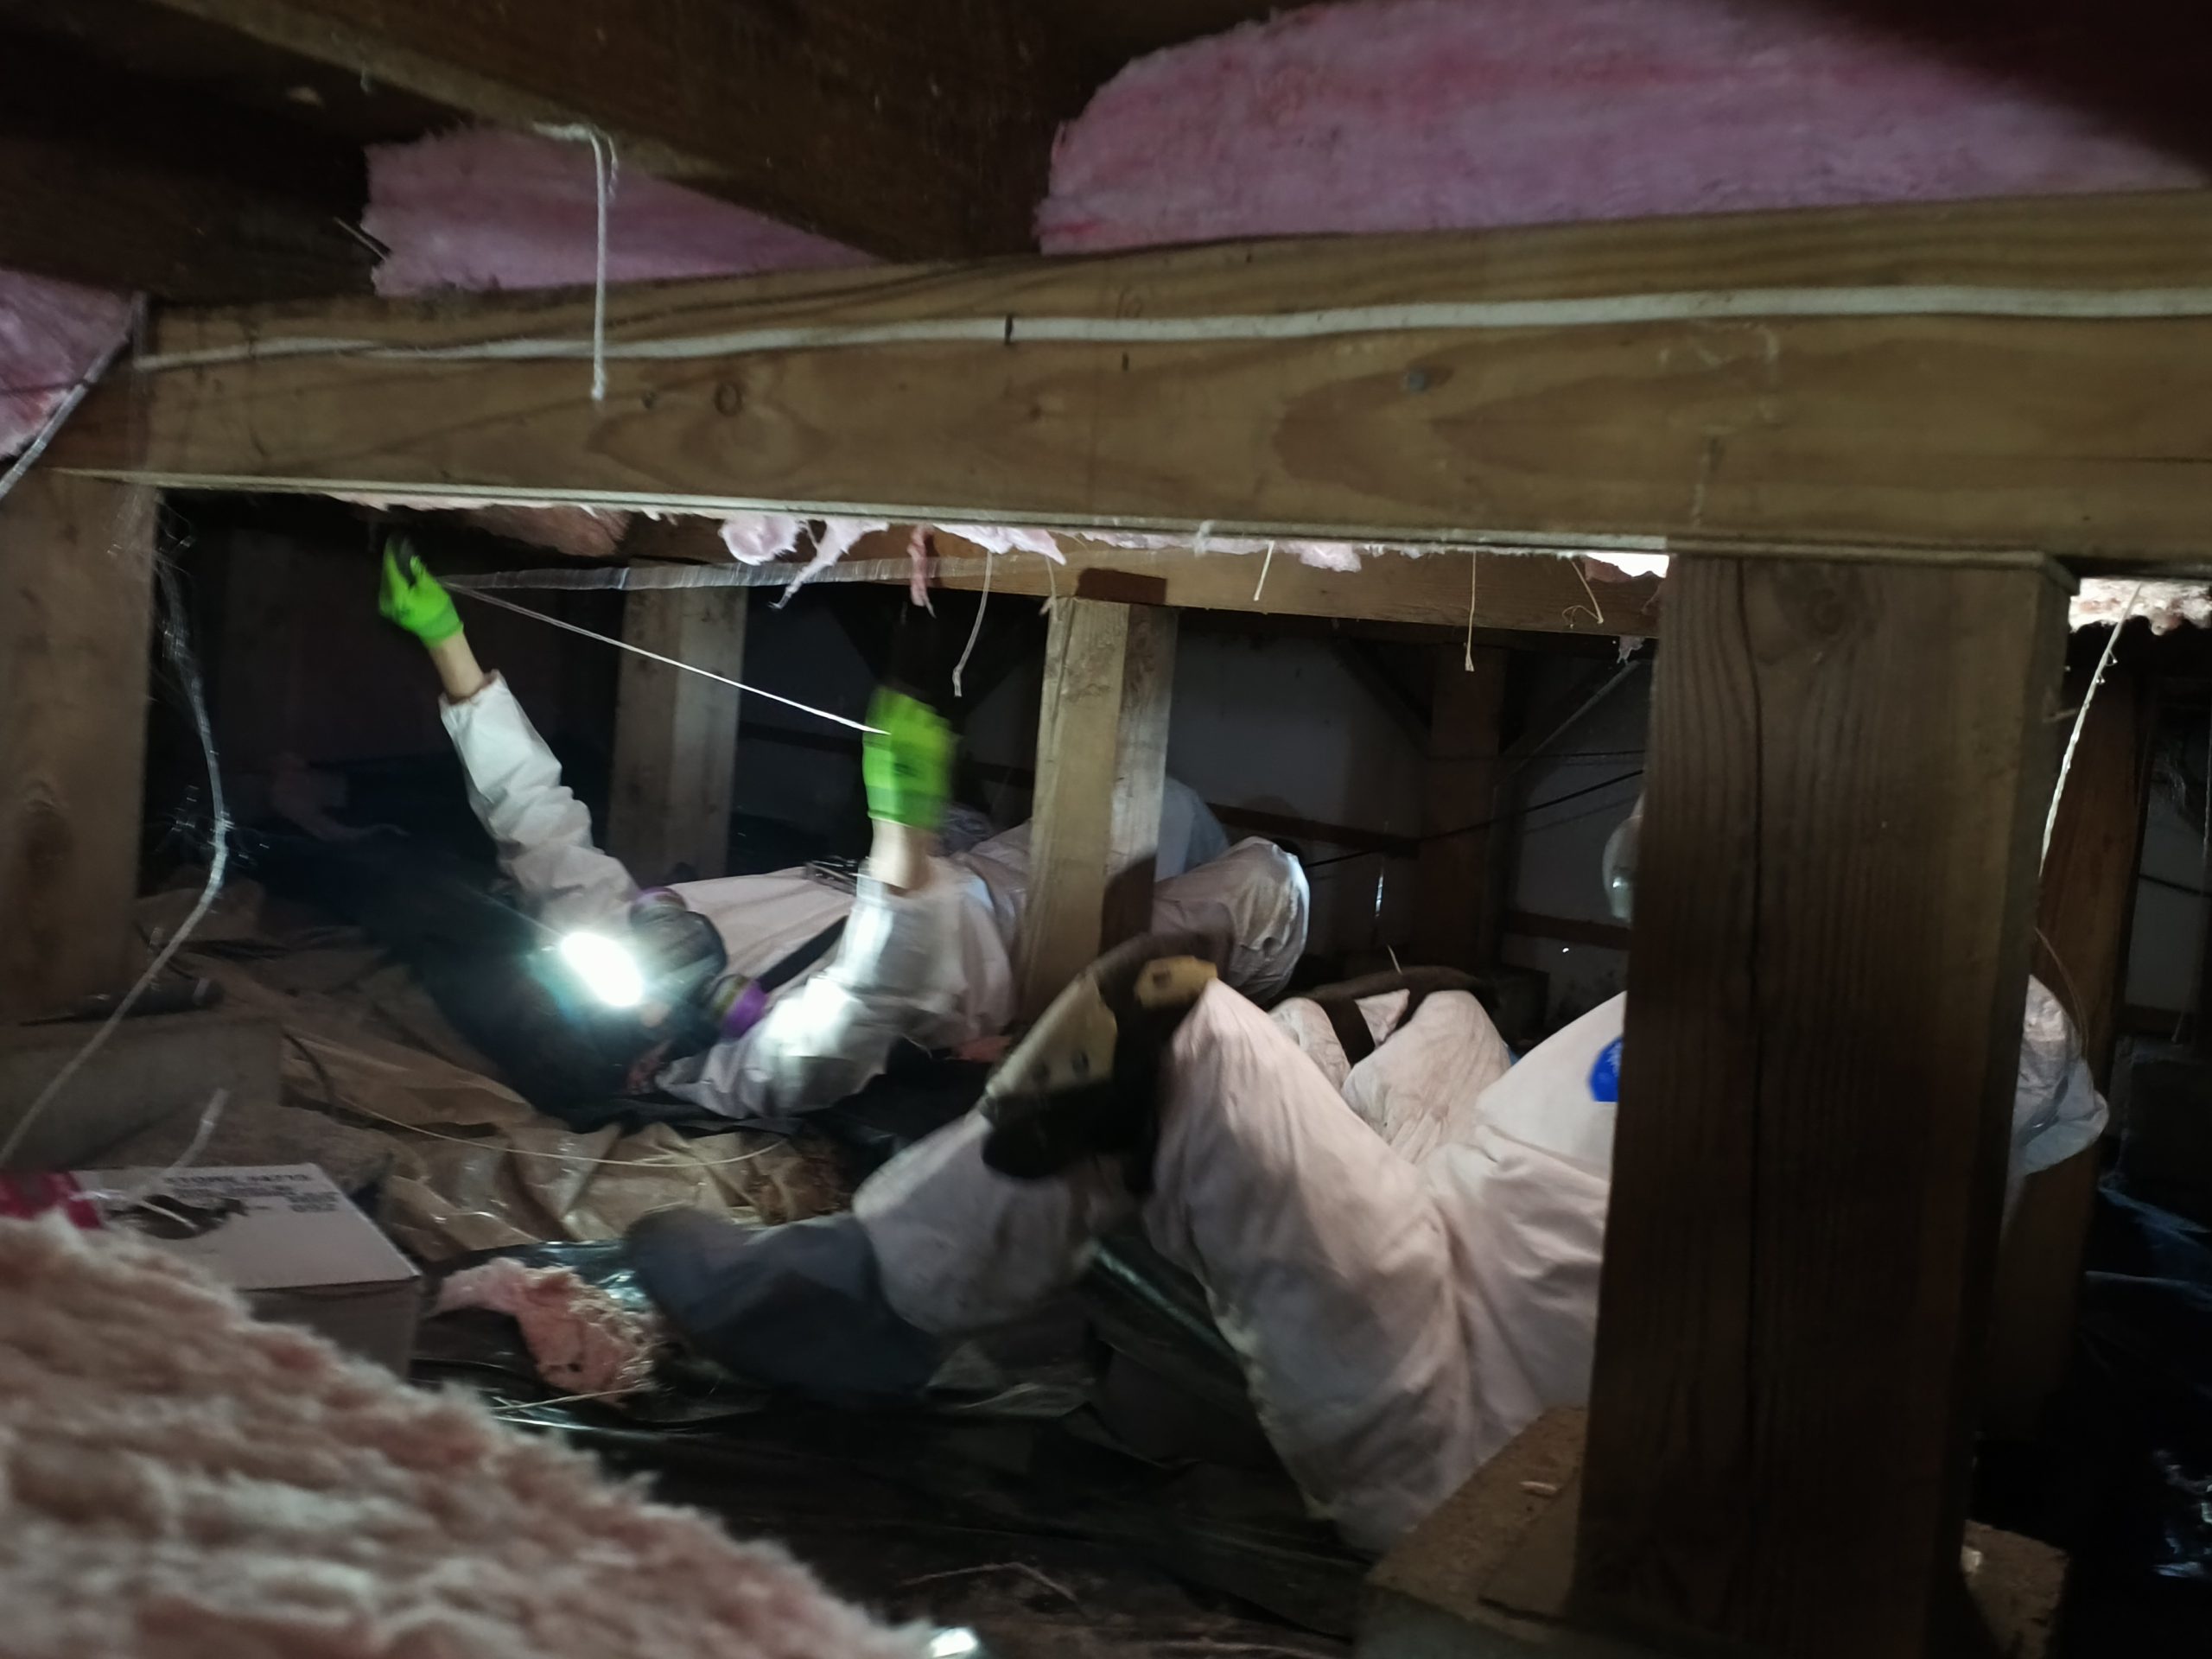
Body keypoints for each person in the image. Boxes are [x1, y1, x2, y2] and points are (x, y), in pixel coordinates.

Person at [628, 802, 2107, 1558]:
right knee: (1427, 1014)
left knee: (1169, 1015)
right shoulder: (1725, 992)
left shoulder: (1929, 1054)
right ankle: (1103, 1183)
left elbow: (2012, 1095)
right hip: (1459, 1247)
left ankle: (878, 1293)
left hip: (1471, 1437)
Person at [375, 542, 1310, 1125]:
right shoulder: (764, 1067)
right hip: (1027, 943)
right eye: (642, 1003)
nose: (638, 952)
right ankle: (1239, 1006)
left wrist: (441, 638)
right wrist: (896, 823)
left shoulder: (617, 935)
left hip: (955, 863)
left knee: (1176, 805)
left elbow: (529, 813)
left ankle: (1152, 910)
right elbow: (874, 989)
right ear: (652, 1065)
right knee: (1269, 878)